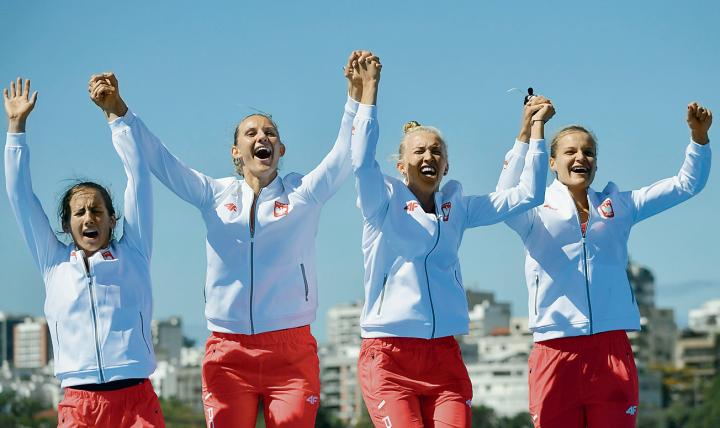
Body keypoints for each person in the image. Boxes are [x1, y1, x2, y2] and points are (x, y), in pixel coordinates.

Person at [99, 51, 369, 427]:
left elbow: (343, 156)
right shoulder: (214, 195)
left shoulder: (303, 194)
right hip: (228, 352)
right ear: (236, 152)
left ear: (281, 150)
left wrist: (355, 98)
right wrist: (119, 113)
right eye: (251, 133)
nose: (262, 137)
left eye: (270, 133)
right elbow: (162, 161)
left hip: (290, 351)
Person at [349, 57, 555, 427]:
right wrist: (369, 92)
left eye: (436, 152)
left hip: (444, 354)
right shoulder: (381, 202)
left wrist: (531, 132)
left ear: (446, 166)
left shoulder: (457, 208)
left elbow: (528, 195)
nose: (428, 156)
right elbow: (362, 163)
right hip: (389, 356)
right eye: (419, 151)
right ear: (401, 166)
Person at [497, 97, 712, 427]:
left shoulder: (620, 206)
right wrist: (526, 131)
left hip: (611, 350)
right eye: (570, 152)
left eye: (588, 152)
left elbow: (686, 185)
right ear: (551, 162)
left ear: (596, 164)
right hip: (554, 349)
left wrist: (699, 139)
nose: (581, 157)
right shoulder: (533, 211)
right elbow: (504, 196)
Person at [4, 76, 163, 427]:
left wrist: (115, 116)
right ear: (66, 224)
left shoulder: (134, 253)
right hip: (80, 404)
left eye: (97, 211)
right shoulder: (54, 263)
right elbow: (20, 197)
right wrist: (16, 128)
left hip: (137, 402)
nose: (89, 218)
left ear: (112, 220)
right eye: (79, 212)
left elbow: (138, 177)